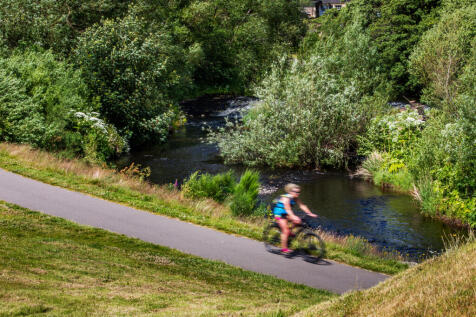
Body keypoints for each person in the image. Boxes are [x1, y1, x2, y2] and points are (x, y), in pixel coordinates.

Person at [272, 183, 317, 254]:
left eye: (298, 192)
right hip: (278, 213)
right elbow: (288, 209)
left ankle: (290, 232)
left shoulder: (295, 198)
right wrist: (293, 216)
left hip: (285, 213)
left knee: (298, 221)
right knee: (285, 230)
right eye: (295, 192)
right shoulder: (286, 198)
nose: (297, 193)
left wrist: (309, 213)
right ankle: (284, 249)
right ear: (290, 192)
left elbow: (302, 206)